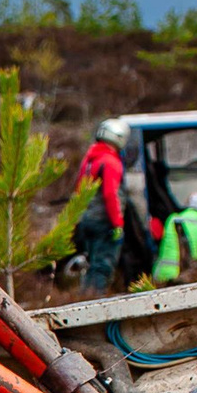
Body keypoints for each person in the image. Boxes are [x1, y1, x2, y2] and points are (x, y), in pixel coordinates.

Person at [72, 118, 133, 294]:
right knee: (102, 268)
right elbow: (110, 194)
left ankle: (83, 301)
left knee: (90, 265)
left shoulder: (89, 160)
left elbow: (79, 190)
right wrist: (118, 224)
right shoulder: (111, 162)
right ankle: (95, 308)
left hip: (86, 220)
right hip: (104, 222)